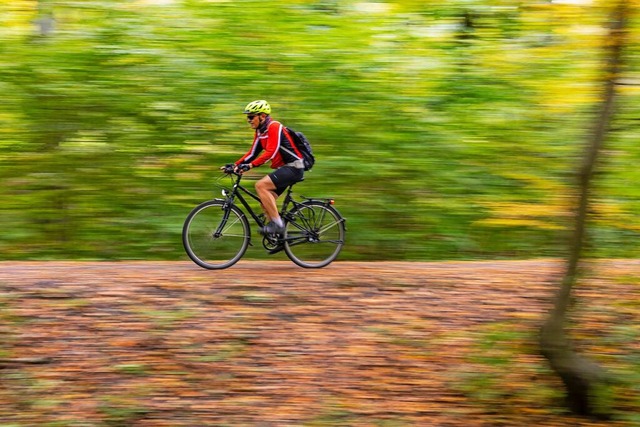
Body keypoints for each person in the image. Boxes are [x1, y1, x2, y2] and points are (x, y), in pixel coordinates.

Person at [224, 100, 305, 235]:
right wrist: (235, 165)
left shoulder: (274, 126)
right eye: (247, 117)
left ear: (262, 116)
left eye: (251, 117)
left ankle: (278, 225)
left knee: (261, 186)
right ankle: (278, 236)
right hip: (285, 168)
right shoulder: (260, 132)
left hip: (294, 167)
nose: (248, 120)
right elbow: (252, 153)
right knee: (265, 201)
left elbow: (270, 152)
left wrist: (250, 166)